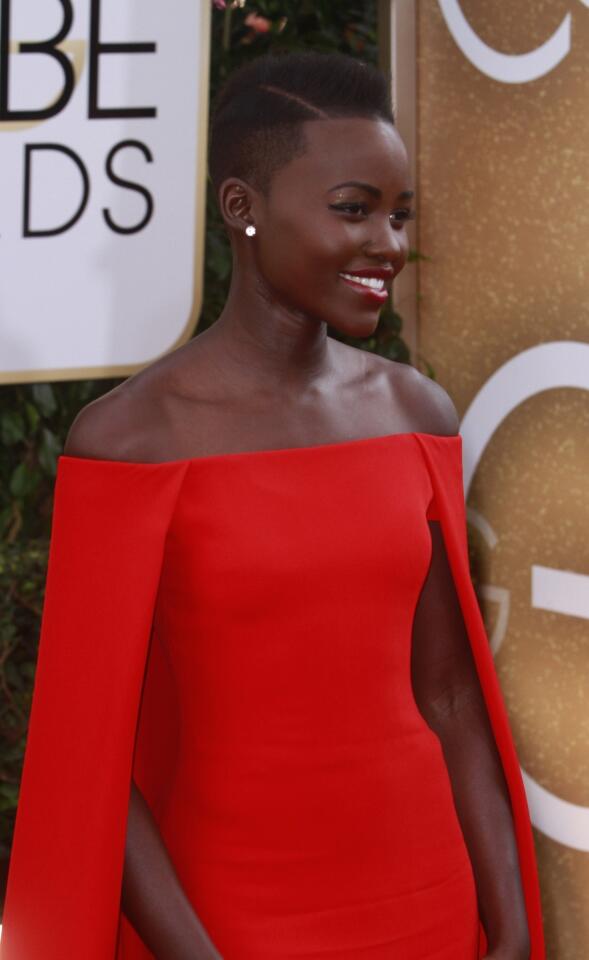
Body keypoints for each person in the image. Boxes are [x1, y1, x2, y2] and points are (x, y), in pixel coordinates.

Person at [0, 51, 544, 960]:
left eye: (398, 214)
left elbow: (449, 697)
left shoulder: (416, 413)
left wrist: (516, 932)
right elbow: (89, 761)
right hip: (233, 918)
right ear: (241, 208)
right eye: (352, 208)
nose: (389, 244)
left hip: (428, 899)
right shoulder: (131, 440)